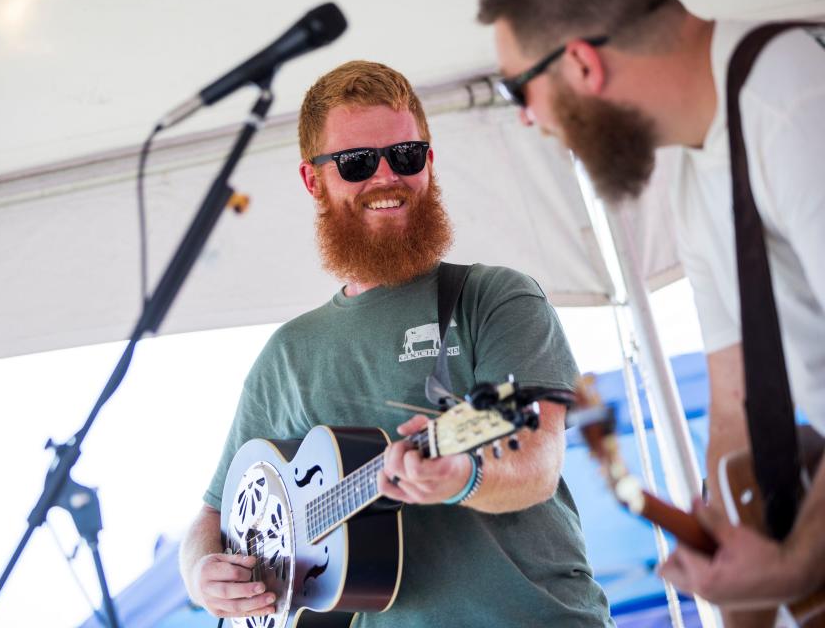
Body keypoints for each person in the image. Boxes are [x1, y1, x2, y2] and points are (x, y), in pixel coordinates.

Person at [178, 60, 612, 627]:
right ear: (314, 181)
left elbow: (537, 462)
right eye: (357, 163)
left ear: (428, 162)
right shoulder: (286, 356)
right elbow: (211, 516)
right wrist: (201, 573)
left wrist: (464, 478)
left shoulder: (494, 298)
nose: (386, 177)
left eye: (404, 156)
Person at [477, 0, 825, 620]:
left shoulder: (796, 102)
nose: (526, 118)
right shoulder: (697, 173)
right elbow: (733, 404)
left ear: (583, 64)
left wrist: (800, 561)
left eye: (516, 90)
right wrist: (732, 560)